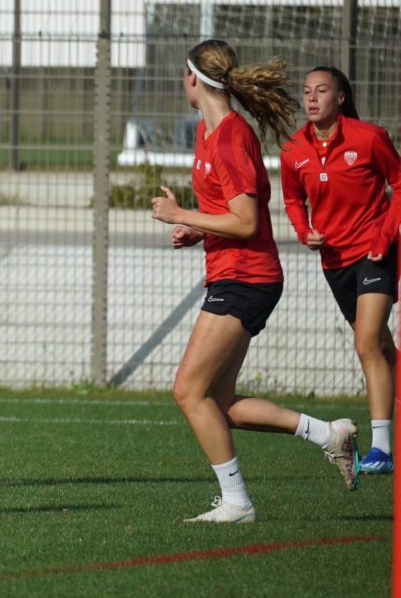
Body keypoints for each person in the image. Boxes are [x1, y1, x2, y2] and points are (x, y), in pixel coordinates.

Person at [150, 40, 359, 523]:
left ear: (193, 78)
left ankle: (237, 502)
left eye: (183, 74)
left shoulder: (229, 138)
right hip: (235, 273)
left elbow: (246, 222)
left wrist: (181, 214)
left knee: (188, 391)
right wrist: (197, 229)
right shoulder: (207, 131)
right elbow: (230, 213)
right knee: (220, 402)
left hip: (247, 278)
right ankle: (328, 435)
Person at [280, 66, 401, 475]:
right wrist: (304, 231)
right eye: (307, 92)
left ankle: (381, 450)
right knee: (380, 346)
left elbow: (399, 184)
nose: (312, 99)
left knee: (365, 343)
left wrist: (385, 235)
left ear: (341, 97)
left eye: (322, 91)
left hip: (375, 252)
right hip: (335, 261)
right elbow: (293, 200)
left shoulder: (369, 138)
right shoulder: (293, 149)